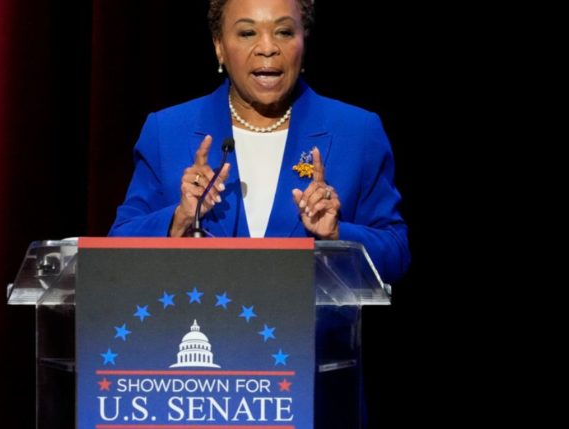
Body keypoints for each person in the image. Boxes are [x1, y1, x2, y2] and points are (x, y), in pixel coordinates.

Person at [109, 0, 409, 283]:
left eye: (284, 32)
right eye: (247, 32)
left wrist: (336, 236)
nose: (267, 48)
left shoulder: (357, 131)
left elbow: (395, 255)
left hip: (312, 337)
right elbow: (116, 250)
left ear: (303, 41)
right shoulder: (167, 131)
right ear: (219, 47)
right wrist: (180, 218)